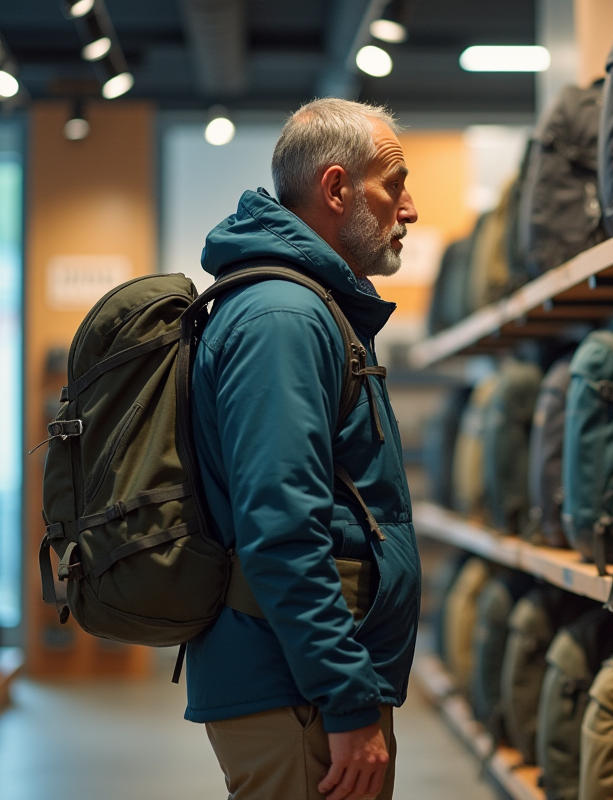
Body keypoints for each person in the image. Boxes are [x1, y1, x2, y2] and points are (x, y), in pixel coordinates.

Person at [184, 98, 422, 800]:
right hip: (300, 694)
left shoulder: (307, 307)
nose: (408, 207)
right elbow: (281, 532)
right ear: (337, 188)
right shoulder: (285, 319)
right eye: (395, 182)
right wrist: (346, 700)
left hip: (307, 681)